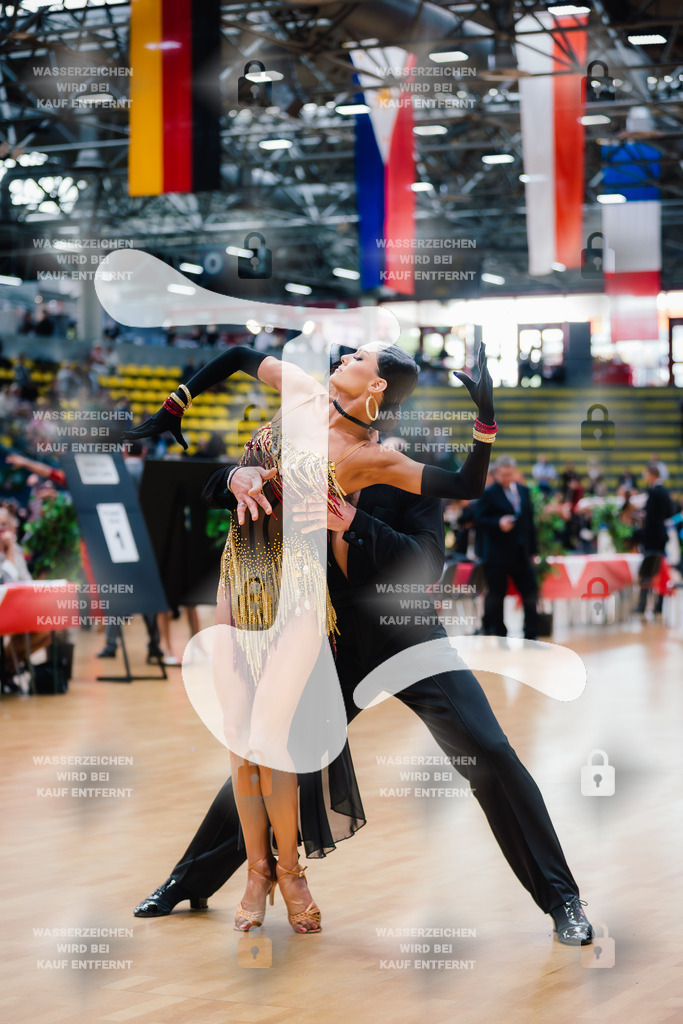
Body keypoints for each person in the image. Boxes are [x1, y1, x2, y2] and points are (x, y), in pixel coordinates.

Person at [123, 341, 497, 936]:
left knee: (272, 741)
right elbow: (239, 353)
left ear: (376, 387)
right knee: (241, 743)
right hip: (238, 576)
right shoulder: (300, 391)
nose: (345, 356)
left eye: (359, 359)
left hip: (297, 594)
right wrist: (177, 407)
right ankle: (255, 872)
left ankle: (291, 872)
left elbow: (466, 485)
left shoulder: (370, 457)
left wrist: (485, 420)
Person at [133, 465, 593, 946]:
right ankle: (188, 882)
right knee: (268, 754)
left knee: (488, 749)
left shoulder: (408, 468)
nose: (337, 396)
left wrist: (354, 520)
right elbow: (220, 490)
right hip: (335, 641)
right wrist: (232, 476)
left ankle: (562, 898)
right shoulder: (306, 451)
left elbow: (427, 560)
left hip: (408, 634)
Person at [473, 455, 539, 640]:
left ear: (514, 472)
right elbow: (478, 519)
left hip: (520, 552)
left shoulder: (523, 491)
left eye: (509, 474)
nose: (506, 478)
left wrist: (533, 550)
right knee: (496, 595)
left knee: (531, 591)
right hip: (496, 554)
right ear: (496, 473)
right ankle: (498, 632)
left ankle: (531, 633)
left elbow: (529, 522)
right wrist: (498, 523)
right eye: (503, 474)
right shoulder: (488, 493)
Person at [634, 463, 674, 616]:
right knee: (660, 571)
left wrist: (641, 534)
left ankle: (643, 605)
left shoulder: (653, 492)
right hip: (661, 536)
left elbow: (650, 519)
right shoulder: (664, 492)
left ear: (652, 474)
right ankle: (659, 605)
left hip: (652, 538)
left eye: (645, 474)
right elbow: (669, 513)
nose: (644, 477)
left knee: (646, 572)